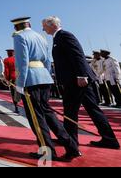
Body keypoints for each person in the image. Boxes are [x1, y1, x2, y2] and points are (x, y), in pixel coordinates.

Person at [42, 16, 120, 150]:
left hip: (76, 81)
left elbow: (77, 55)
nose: (43, 29)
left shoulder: (64, 35)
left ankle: (71, 141)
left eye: (44, 26)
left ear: (52, 25)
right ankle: (109, 139)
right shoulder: (58, 37)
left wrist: (81, 75)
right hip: (75, 80)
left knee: (71, 111)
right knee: (91, 109)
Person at [11, 17, 80, 161]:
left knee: (36, 118)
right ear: (28, 24)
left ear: (16, 27)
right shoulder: (40, 37)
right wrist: (46, 76)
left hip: (30, 80)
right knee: (49, 115)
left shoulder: (19, 37)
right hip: (44, 78)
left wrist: (19, 85)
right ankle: (72, 146)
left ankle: (47, 152)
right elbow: (47, 60)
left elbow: (22, 63)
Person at [4, 49, 21, 114]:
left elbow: (7, 71)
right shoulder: (18, 58)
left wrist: (7, 79)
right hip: (20, 77)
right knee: (21, 92)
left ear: (8, 53)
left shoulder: (6, 60)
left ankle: (16, 108)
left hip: (13, 78)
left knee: (14, 93)